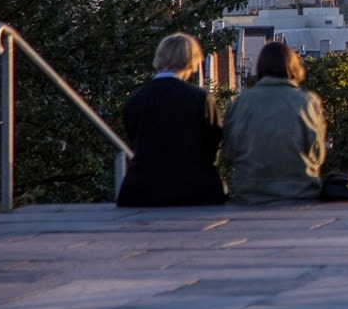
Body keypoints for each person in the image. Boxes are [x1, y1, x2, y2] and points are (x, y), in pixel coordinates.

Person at [116, 34, 227, 206]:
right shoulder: (200, 99)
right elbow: (213, 143)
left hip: (142, 190)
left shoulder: (135, 101)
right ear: (191, 62)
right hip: (194, 191)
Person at [223, 42, 326, 204]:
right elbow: (318, 154)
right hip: (300, 194)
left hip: (248, 195)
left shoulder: (241, 102)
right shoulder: (307, 102)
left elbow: (229, 152)